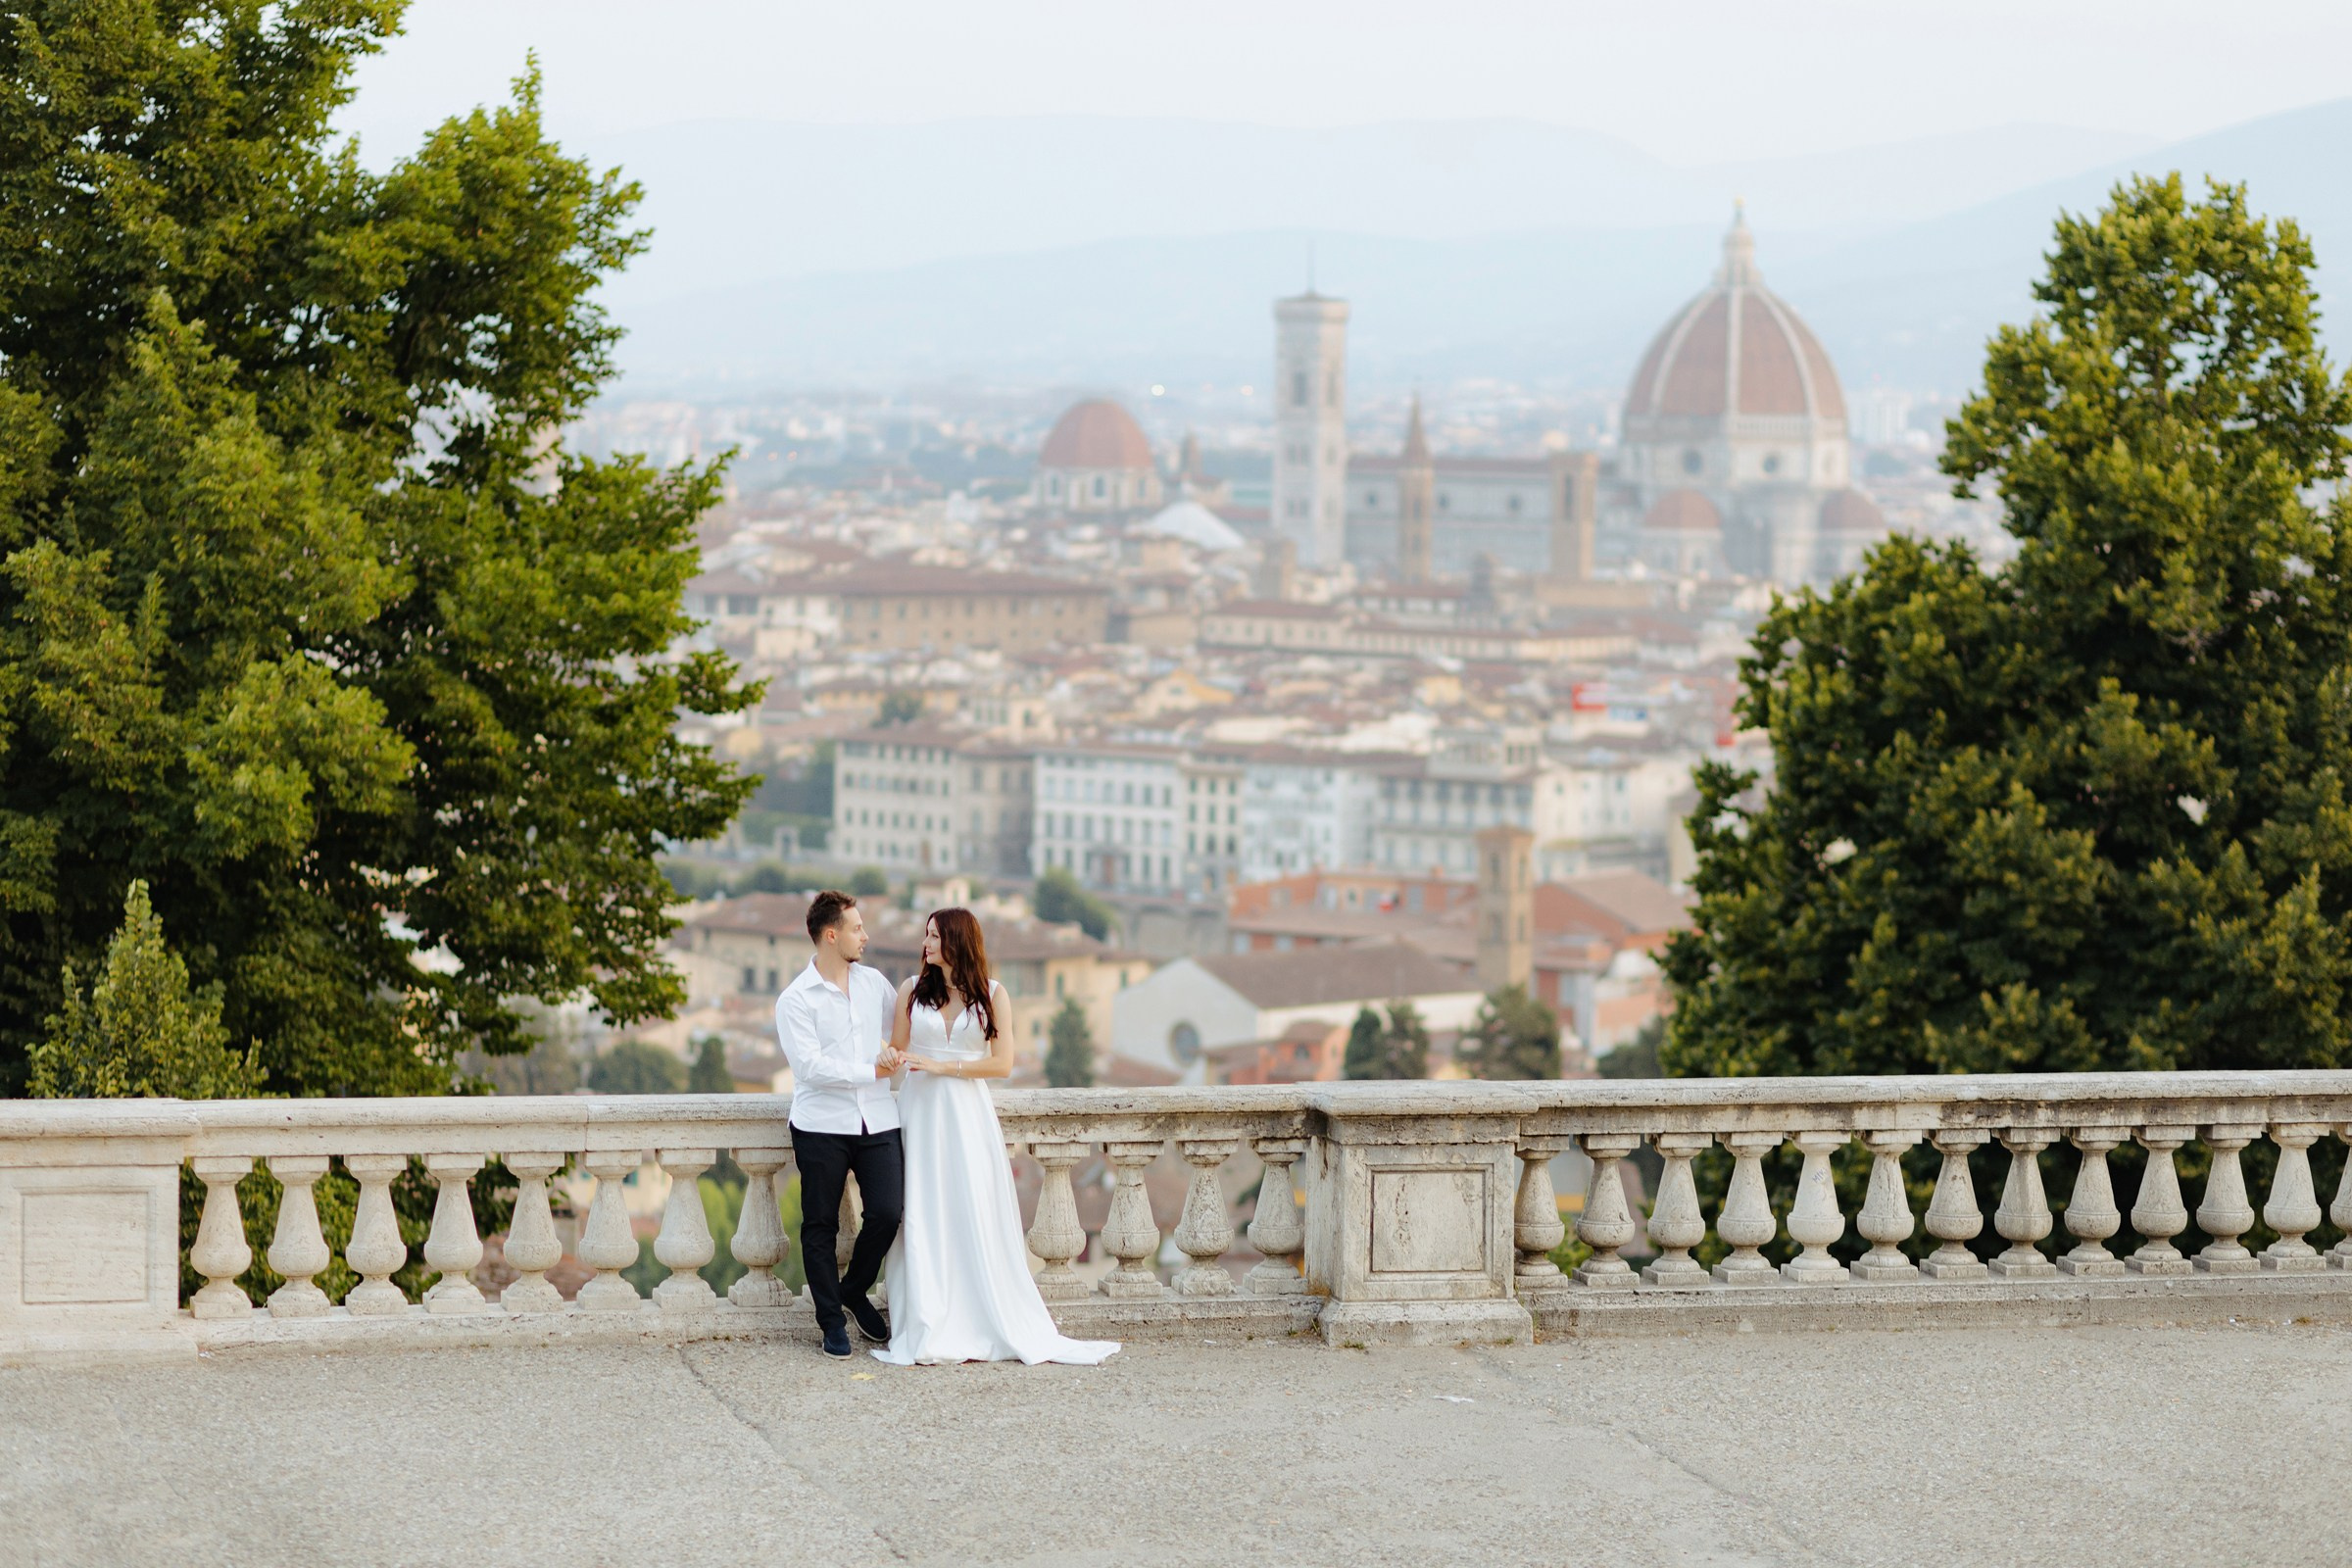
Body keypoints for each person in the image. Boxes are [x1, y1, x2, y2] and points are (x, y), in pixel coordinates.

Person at [872, 907, 1120, 1367]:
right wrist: (885, 1059)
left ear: (956, 941)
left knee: (971, 1208)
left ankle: (979, 1314)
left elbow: (1002, 1063)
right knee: (922, 1209)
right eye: (924, 936)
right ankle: (928, 1317)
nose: (925, 944)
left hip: (967, 1115)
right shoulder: (910, 990)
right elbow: (897, 1051)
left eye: (933, 936)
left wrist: (946, 1066)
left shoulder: (993, 994)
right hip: (920, 1112)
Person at [774, 889, 906, 1359]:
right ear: (832, 935)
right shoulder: (794, 1000)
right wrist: (872, 1070)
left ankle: (854, 1290)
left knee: (889, 1212)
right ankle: (831, 1321)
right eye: (856, 928)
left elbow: (901, 1032)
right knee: (820, 1225)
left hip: (877, 1119)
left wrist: (897, 1055)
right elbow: (810, 1068)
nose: (865, 936)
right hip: (821, 1125)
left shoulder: (875, 985)